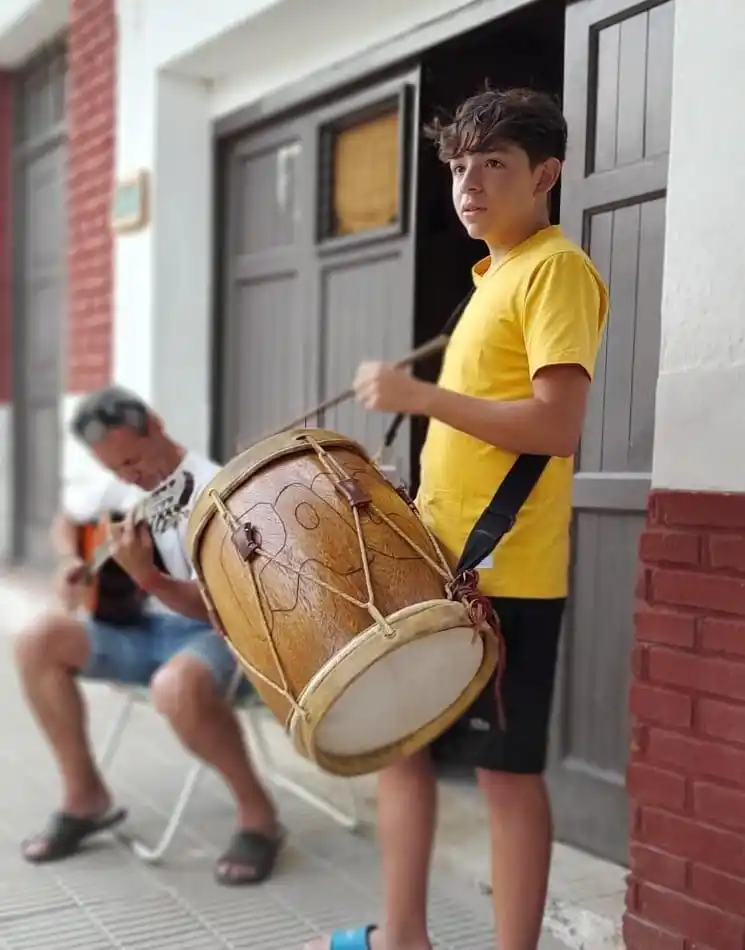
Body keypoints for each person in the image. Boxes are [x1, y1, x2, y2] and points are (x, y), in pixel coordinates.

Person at [304, 87, 610, 950]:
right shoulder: (491, 278)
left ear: (544, 175)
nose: (468, 185)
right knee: (402, 751)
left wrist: (418, 397)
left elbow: (555, 426)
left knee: (504, 777)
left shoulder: (554, 269)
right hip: (441, 567)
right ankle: (402, 936)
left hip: (504, 578)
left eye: (493, 165)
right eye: (457, 168)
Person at [14, 385, 283, 885]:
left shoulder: (213, 494)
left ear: (156, 425)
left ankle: (258, 814)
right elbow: (66, 520)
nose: (128, 477)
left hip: (209, 634)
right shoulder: (120, 483)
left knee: (175, 687)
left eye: (133, 461)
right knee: (36, 641)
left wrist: (149, 578)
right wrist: (71, 559)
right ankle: (85, 797)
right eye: (115, 469)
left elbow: (222, 610)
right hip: (135, 629)